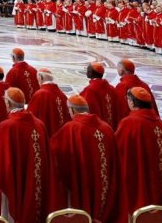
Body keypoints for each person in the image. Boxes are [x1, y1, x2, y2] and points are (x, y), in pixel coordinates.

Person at [115, 87, 162, 221]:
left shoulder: (129, 123)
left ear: (131, 102)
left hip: (139, 181)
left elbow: (118, 154)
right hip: (161, 183)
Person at [49, 94, 117, 223]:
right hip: (104, 184)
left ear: (72, 110)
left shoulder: (71, 128)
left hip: (83, 183)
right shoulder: (107, 128)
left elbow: (56, 153)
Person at [0, 87, 50, 223]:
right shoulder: (39, 124)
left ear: (8, 103)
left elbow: (1, 162)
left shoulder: (7, 126)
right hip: (37, 178)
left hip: (15, 180)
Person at [27, 68, 70, 135]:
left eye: (37, 79)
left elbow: (30, 116)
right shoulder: (62, 95)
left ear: (40, 78)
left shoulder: (40, 94)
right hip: (61, 135)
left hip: (47, 135)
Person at [81, 61, 123, 129]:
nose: (86, 71)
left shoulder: (90, 90)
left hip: (98, 130)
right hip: (111, 128)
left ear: (90, 73)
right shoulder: (112, 89)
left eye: (87, 70)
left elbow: (83, 109)